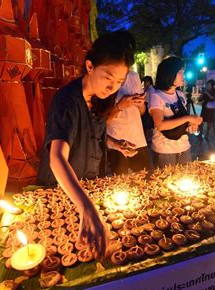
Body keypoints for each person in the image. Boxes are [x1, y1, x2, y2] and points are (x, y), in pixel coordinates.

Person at [37, 31, 137, 259]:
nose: (113, 87)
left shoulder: (102, 98)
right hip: (66, 191)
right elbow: (57, 158)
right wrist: (87, 208)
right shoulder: (67, 101)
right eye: (108, 77)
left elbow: (93, 132)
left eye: (120, 82)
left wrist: (115, 143)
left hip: (90, 185)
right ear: (90, 66)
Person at [148, 56, 202, 168]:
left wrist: (192, 124)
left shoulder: (181, 95)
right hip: (164, 149)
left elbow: (181, 121)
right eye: (180, 73)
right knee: (166, 182)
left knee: (185, 179)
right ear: (169, 75)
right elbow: (160, 125)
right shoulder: (157, 96)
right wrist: (188, 118)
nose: (183, 76)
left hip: (184, 146)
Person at [106, 70, 150, 174]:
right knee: (121, 183)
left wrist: (140, 103)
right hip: (116, 140)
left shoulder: (134, 76)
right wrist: (120, 106)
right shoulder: (107, 80)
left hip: (138, 139)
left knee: (144, 181)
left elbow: (141, 112)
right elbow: (102, 122)